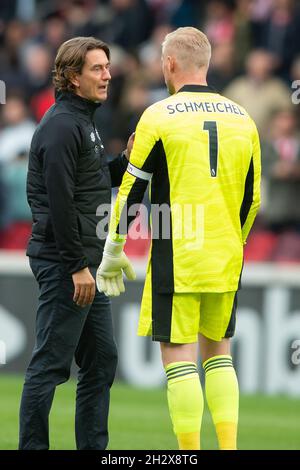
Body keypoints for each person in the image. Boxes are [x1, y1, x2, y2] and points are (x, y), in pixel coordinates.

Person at [96, 27, 261, 450]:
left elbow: (132, 190)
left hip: (178, 252)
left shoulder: (159, 114)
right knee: (220, 355)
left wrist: (113, 248)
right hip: (225, 254)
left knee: (179, 357)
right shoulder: (243, 116)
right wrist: (233, 243)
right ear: (206, 63)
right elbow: (253, 199)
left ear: (169, 63)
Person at [19, 36, 133, 450]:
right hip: (68, 264)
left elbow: (89, 184)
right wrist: (75, 266)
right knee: (49, 365)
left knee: (101, 362)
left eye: (107, 66)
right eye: (97, 69)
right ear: (72, 77)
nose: (107, 75)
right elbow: (62, 204)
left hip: (84, 262)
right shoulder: (63, 125)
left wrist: (126, 159)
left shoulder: (80, 121)